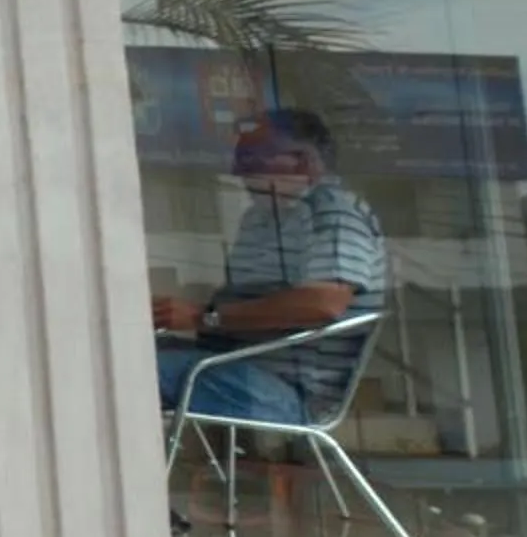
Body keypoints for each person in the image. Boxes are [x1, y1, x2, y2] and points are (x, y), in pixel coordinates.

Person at [152, 108, 387, 428]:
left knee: (125, 371)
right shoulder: (259, 220)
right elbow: (236, 305)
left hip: (287, 391)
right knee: (115, 351)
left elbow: (323, 303)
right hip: (234, 364)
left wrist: (201, 317)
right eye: (239, 163)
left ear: (302, 163)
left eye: (251, 161)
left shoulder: (333, 212)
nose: (239, 173)